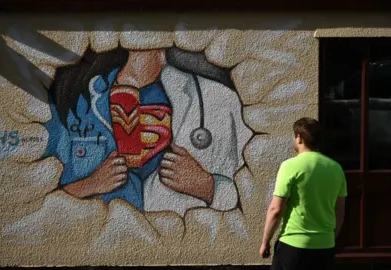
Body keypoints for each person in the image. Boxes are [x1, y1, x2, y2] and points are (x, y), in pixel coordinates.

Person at [43, 47, 252, 216]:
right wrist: (90, 185)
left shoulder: (219, 100)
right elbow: (32, 201)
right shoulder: (71, 102)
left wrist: (207, 186)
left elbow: (258, 201)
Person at [259, 117, 347, 270]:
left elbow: (276, 209)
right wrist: (331, 238)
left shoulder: (290, 166)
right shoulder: (336, 169)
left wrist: (265, 242)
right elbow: (340, 210)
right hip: (325, 246)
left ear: (299, 138)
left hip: (294, 245)